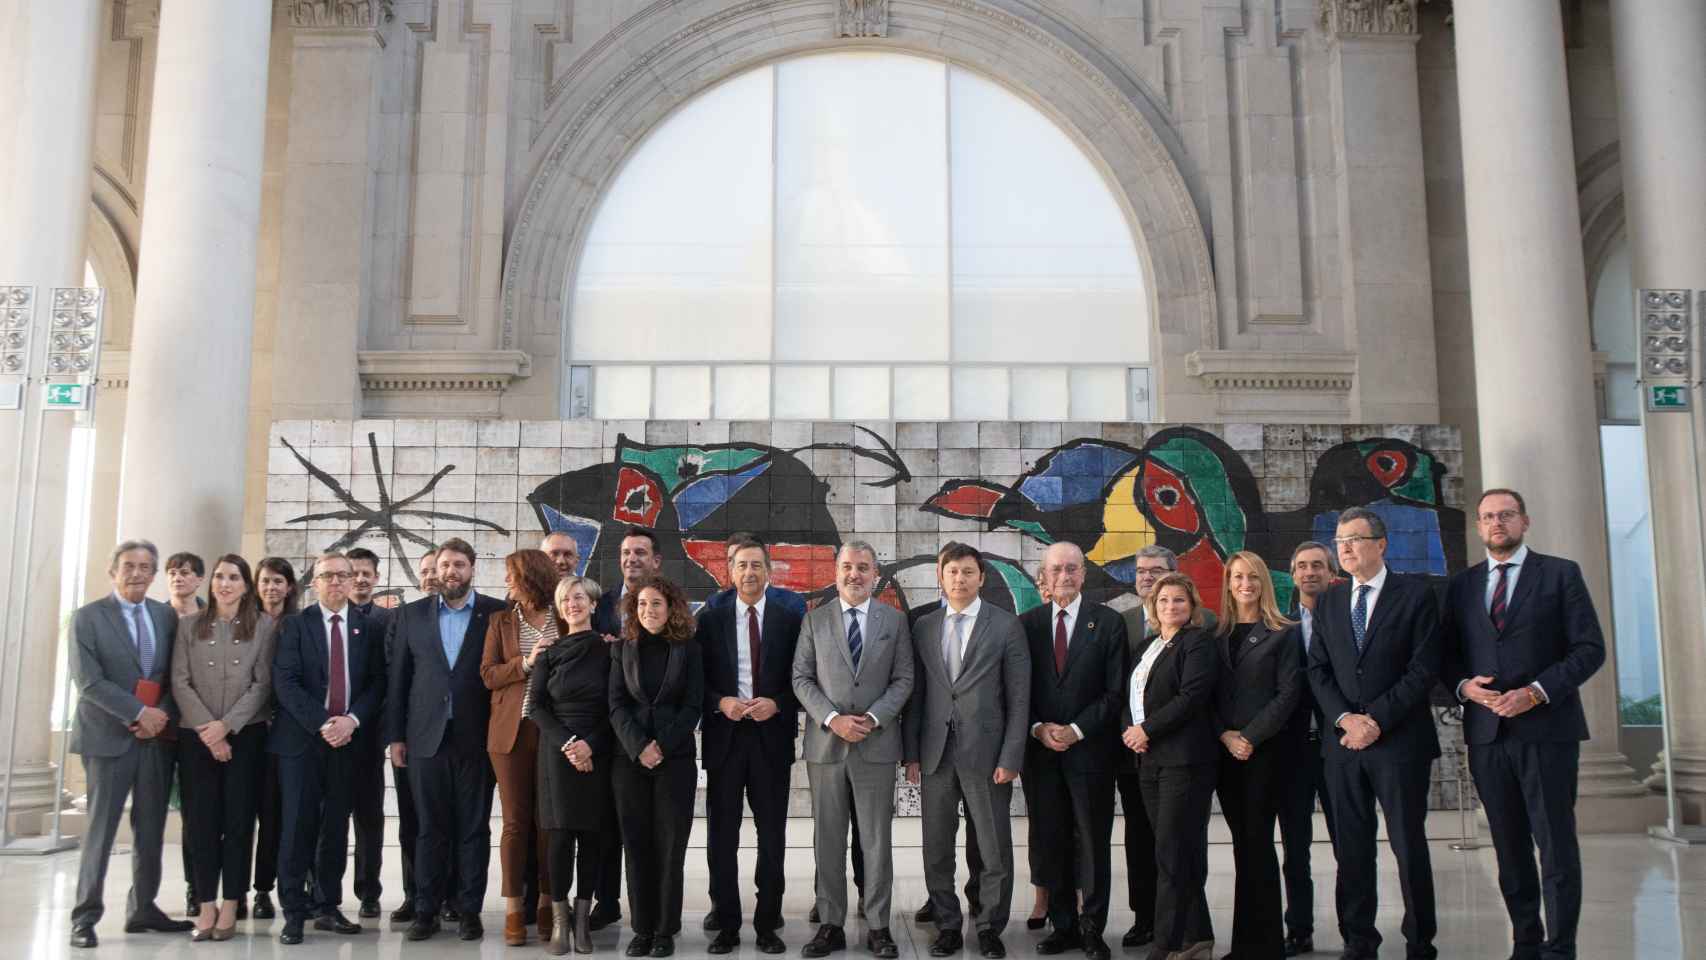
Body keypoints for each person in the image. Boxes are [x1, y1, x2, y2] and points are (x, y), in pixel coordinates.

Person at [1442, 489, 1604, 960]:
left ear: (1524, 522)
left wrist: (1535, 692)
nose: (1498, 523)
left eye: (1506, 515)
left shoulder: (1559, 574)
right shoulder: (1463, 585)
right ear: (1478, 527)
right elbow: (1448, 658)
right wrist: (1464, 688)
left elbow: (1589, 649)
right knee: (1509, 848)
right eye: (1489, 517)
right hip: (1487, 735)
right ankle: (1525, 942)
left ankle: (1561, 948)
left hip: (1548, 732)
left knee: (1554, 846)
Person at [1307, 507, 1441, 960]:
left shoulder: (1416, 595)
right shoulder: (1328, 600)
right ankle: (1359, 939)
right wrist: (1347, 720)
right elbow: (1318, 670)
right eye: (1340, 540)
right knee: (1352, 848)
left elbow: (1423, 669)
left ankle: (1421, 941)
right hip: (1343, 746)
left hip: (1400, 742)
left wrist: (1376, 720)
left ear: (1381, 545)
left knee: (1407, 843)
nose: (1344, 547)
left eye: (1354, 539)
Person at [903, 543, 1030, 960]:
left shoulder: (1006, 626)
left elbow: (1018, 696)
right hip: (936, 753)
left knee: (994, 848)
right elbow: (917, 695)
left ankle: (990, 925)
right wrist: (912, 754)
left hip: (987, 754)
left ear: (982, 578)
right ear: (941, 576)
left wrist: (1012, 756)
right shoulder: (923, 626)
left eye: (968, 572)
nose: (960, 579)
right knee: (936, 847)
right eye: (953, 571)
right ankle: (947, 925)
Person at [67, 540, 196, 949]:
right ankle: (85, 916)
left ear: (154, 573)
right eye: (129, 565)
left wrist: (159, 714)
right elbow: (88, 681)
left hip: (156, 741)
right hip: (108, 739)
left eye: (145, 566)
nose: (137, 573)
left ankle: (143, 908)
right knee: (101, 830)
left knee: (151, 828)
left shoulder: (164, 616)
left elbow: (178, 674)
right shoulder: (88, 618)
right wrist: (138, 714)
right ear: (113, 571)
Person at [793, 541, 915, 960]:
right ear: (836, 570)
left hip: (876, 745)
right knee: (827, 838)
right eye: (847, 566)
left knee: (876, 841)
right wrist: (832, 719)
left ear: (875, 575)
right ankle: (830, 924)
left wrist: (874, 718)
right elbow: (801, 678)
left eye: (863, 567)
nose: (854, 574)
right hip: (826, 746)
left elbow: (903, 680)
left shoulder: (895, 621)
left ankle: (879, 926)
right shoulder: (815, 620)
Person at [387, 537, 507, 941]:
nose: (450, 572)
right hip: (424, 738)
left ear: (472, 569)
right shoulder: (412, 615)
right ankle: (426, 910)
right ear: (435, 571)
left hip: (477, 737)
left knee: (474, 828)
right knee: (428, 828)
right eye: (444, 565)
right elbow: (399, 680)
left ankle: (469, 910)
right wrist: (395, 737)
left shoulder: (496, 613)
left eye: (459, 565)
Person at [269, 551, 386, 945]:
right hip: (302, 743)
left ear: (353, 580)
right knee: (298, 827)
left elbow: (376, 684)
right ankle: (293, 912)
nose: (336, 582)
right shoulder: (294, 626)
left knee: (335, 829)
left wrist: (350, 721)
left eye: (343, 575)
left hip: (347, 742)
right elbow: (286, 683)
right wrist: (323, 723)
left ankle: (327, 905)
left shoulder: (368, 628)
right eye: (327, 576)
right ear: (314, 583)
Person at [1020, 542, 1125, 960]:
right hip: (1041, 754)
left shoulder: (1109, 622)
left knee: (1093, 842)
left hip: (1091, 754)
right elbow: (1017, 689)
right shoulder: (1026, 625)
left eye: (1072, 569)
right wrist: (1039, 727)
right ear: (1043, 577)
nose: (1065, 575)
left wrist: (1077, 730)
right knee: (1053, 839)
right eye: (1056, 569)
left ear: (1083, 574)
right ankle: (1062, 926)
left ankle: (1092, 928)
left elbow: (1114, 692)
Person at [700, 538, 803, 955]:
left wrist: (777, 703)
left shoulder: (789, 618)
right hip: (725, 738)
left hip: (770, 738)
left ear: (769, 570)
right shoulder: (711, 618)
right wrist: (720, 702)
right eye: (742, 565)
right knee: (721, 837)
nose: (749, 573)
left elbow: (804, 679)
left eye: (757, 565)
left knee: (772, 836)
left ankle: (766, 923)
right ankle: (726, 923)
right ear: (730, 570)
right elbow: (695, 681)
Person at [171, 555, 277, 941]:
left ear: (246, 585)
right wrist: (209, 731)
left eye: (233, 577)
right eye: (219, 576)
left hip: (245, 736)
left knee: (237, 823)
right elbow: (180, 682)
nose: (225, 583)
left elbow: (262, 684)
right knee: (200, 823)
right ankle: (205, 906)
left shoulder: (263, 626)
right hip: (195, 737)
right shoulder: (188, 626)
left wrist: (227, 727)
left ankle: (231, 902)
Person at [1121, 573, 1218, 960]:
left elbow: (1191, 697)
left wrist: (1146, 729)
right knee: (1176, 849)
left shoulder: (1197, 644)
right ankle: (1198, 935)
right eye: (1163, 601)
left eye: (1179, 600)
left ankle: (1168, 941)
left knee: (1172, 852)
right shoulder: (1147, 646)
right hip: (1149, 761)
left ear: (1192, 606)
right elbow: (1130, 695)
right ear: (1153, 606)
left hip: (1185, 760)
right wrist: (1131, 731)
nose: (1171, 607)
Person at [1212, 552, 1303, 959]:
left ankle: (1265, 946)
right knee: (1242, 846)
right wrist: (1225, 735)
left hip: (1264, 754)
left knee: (1258, 844)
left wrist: (1248, 736)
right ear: (1228, 583)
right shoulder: (1215, 634)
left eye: (1252, 577)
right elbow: (1205, 695)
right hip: (1226, 754)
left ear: (1263, 582)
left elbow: (1287, 695)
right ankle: (1245, 943)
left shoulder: (1283, 633)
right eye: (1237, 577)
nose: (1244, 584)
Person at [609, 576, 705, 958]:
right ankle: (641, 929)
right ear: (634, 609)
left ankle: (665, 930)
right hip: (629, 761)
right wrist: (639, 746)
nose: (649, 610)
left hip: (674, 760)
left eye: (656, 604)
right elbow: (616, 705)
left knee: (669, 847)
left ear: (671, 609)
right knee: (636, 845)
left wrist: (661, 746)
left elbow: (693, 706)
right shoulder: (621, 649)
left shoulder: (689, 650)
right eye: (643, 604)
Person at [532, 576, 615, 955]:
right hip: (557, 751)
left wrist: (589, 746)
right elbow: (536, 707)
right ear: (559, 607)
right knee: (560, 837)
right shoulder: (547, 651)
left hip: (598, 748)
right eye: (566, 599)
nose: (573, 604)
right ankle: (560, 924)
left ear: (593, 605)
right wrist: (569, 744)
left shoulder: (611, 649)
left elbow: (615, 706)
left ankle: (583, 922)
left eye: (579, 598)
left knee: (593, 836)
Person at [586, 526, 664, 931]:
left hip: (653, 729)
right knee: (608, 823)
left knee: (649, 830)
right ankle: (607, 900)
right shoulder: (602, 604)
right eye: (626, 552)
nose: (631, 558)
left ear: (656, 561)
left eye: (640, 552)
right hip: (608, 724)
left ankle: (654, 910)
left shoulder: (668, 604)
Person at [483, 549, 562, 945]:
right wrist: (526, 664)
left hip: (553, 732)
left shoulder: (563, 616)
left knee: (548, 822)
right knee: (515, 824)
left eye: (511, 576)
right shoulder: (500, 621)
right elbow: (488, 675)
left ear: (530, 576)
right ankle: (514, 909)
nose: (506, 583)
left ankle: (547, 904)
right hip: (508, 734)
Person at [1111, 545, 1183, 949]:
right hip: (1133, 754)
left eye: (1156, 570)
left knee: (1175, 839)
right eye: (1140, 571)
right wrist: (1130, 732)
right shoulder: (1120, 623)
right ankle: (1144, 917)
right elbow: (1116, 688)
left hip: (1178, 753)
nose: (1147, 577)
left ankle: (1179, 922)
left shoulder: (1199, 621)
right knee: (1139, 837)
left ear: (1174, 574)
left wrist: (1152, 729)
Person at [1278, 541, 1340, 956]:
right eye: (1301, 566)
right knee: (1295, 849)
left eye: (1317, 565)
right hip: (1294, 750)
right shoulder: (1280, 622)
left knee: (1349, 844)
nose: (1309, 572)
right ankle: (1298, 929)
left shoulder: (1348, 618)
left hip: (1340, 749)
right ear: (1293, 574)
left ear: (1331, 572)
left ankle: (1357, 927)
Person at [386, 546, 447, 925]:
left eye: (434, 570)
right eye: (424, 571)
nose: (429, 577)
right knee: (413, 820)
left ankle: (451, 895)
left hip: (450, 736)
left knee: (448, 820)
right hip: (413, 737)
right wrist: (396, 735)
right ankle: (415, 894)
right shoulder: (405, 619)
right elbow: (395, 681)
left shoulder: (467, 619)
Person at [250, 556, 300, 922]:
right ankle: (256, 889)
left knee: (278, 817)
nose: (272, 587)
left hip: (287, 734)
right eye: (265, 581)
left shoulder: (298, 625)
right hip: (248, 730)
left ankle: (281, 889)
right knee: (244, 818)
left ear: (289, 587)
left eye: (279, 581)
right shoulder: (244, 623)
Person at [344, 545, 392, 920]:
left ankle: (368, 891)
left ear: (376, 578)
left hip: (369, 735)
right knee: (325, 816)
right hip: (326, 735)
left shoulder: (387, 621)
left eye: (367, 573)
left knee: (369, 819)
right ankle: (321, 887)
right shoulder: (323, 620)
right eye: (353, 572)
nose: (360, 579)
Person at [164, 550, 206, 918]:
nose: (179, 578)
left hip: (206, 727)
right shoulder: (156, 617)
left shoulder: (213, 617)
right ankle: (195, 887)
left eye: (187, 572)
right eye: (174, 572)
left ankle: (217, 889)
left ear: (199, 580)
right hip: (163, 727)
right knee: (191, 815)